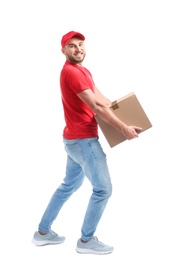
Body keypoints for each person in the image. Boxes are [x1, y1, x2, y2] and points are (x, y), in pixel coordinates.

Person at [32, 31, 142, 254]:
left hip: (72, 139)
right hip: (84, 141)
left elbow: (102, 100)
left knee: (68, 185)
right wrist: (123, 128)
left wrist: (126, 114)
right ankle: (86, 241)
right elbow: (96, 108)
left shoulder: (82, 71)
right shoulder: (72, 73)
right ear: (63, 51)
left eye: (81, 45)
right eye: (72, 46)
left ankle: (42, 233)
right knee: (103, 189)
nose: (78, 49)